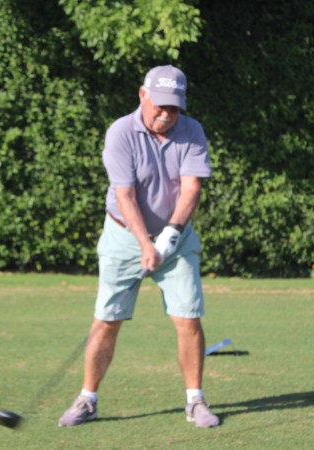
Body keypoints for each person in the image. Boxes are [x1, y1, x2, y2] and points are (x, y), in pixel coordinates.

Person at [58, 65, 219, 429]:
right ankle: (87, 399)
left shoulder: (191, 130)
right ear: (143, 95)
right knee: (107, 320)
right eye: (161, 105)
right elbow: (125, 195)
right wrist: (146, 244)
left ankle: (195, 401)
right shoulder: (120, 132)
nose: (167, 114)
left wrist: (170, 236)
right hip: (123, 237)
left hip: (175, 238)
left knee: (188, 318)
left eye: (174, 108)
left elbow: (191, 188)